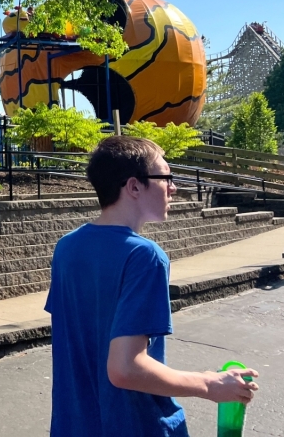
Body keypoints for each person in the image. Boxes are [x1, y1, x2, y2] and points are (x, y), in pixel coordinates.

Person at [46, 136, 258, 437]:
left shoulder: (66, 247)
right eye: (166, 177)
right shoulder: (144, 256)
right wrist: (209, 384)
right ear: (134, 187)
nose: (173, 187)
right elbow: (125, 369)